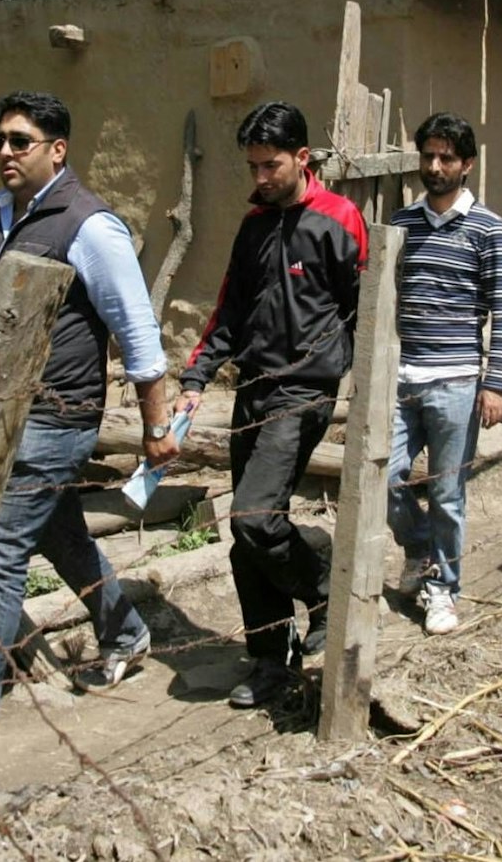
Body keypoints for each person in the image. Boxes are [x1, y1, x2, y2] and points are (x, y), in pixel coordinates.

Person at [0, 90, 179, 770]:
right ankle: (125, 632)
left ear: (57, 149)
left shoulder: (89, 226)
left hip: (58, 416)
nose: (4, 153)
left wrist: (155, 423)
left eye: (20, 141)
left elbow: (137, 331)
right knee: (60, 534)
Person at [176, 101, 366, 709]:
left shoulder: (339, 221)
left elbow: (366, 305)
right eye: (252, 166)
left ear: (302, 158)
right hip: (253, 388)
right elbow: (229, 309)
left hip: (304, 391)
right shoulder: (253, 226)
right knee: (246, 536)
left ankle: (321, 591)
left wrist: (350, 372)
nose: (258, 178)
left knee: (255, 518)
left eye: (270, 165)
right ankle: (267, 659)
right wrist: (196, 375)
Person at [385, 113, 502, 636]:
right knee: (384, 478)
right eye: (427, 156)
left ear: (467, 165)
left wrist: (496, 382)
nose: (434, 167)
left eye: (446, 158)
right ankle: (418, 549)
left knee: (446, 493)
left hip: (458, 381)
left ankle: (443, 590)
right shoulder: (401, 224)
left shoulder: (488, 228)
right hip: (401, 379)